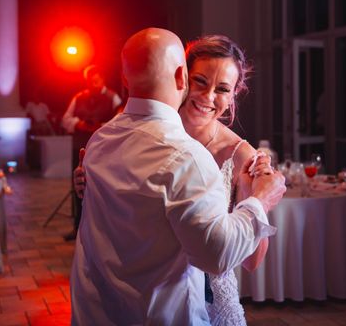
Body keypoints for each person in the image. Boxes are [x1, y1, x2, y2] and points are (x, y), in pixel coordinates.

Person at [69, 28, 286, 325]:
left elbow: (251, 261)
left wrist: (255, 195)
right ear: (182, 77)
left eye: (222, 89)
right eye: (200, 81)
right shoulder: (140, 130)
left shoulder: (241, 155)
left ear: (234, 95)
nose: (208, 97)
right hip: (157, 302)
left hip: (207, 303)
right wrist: (91, 183)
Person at [61, 64, 121, 240]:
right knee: (79, 187)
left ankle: (103, 230)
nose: (92, 84)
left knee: (104, 189)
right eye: (89, 81)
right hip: (81, 148)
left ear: (102, 80)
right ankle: (78, 227)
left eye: (95, 80)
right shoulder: (79, 97)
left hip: (104, 150)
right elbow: (66, 119)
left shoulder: (113, 98)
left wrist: (99, 127)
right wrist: (78, 123)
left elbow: (119, 120)